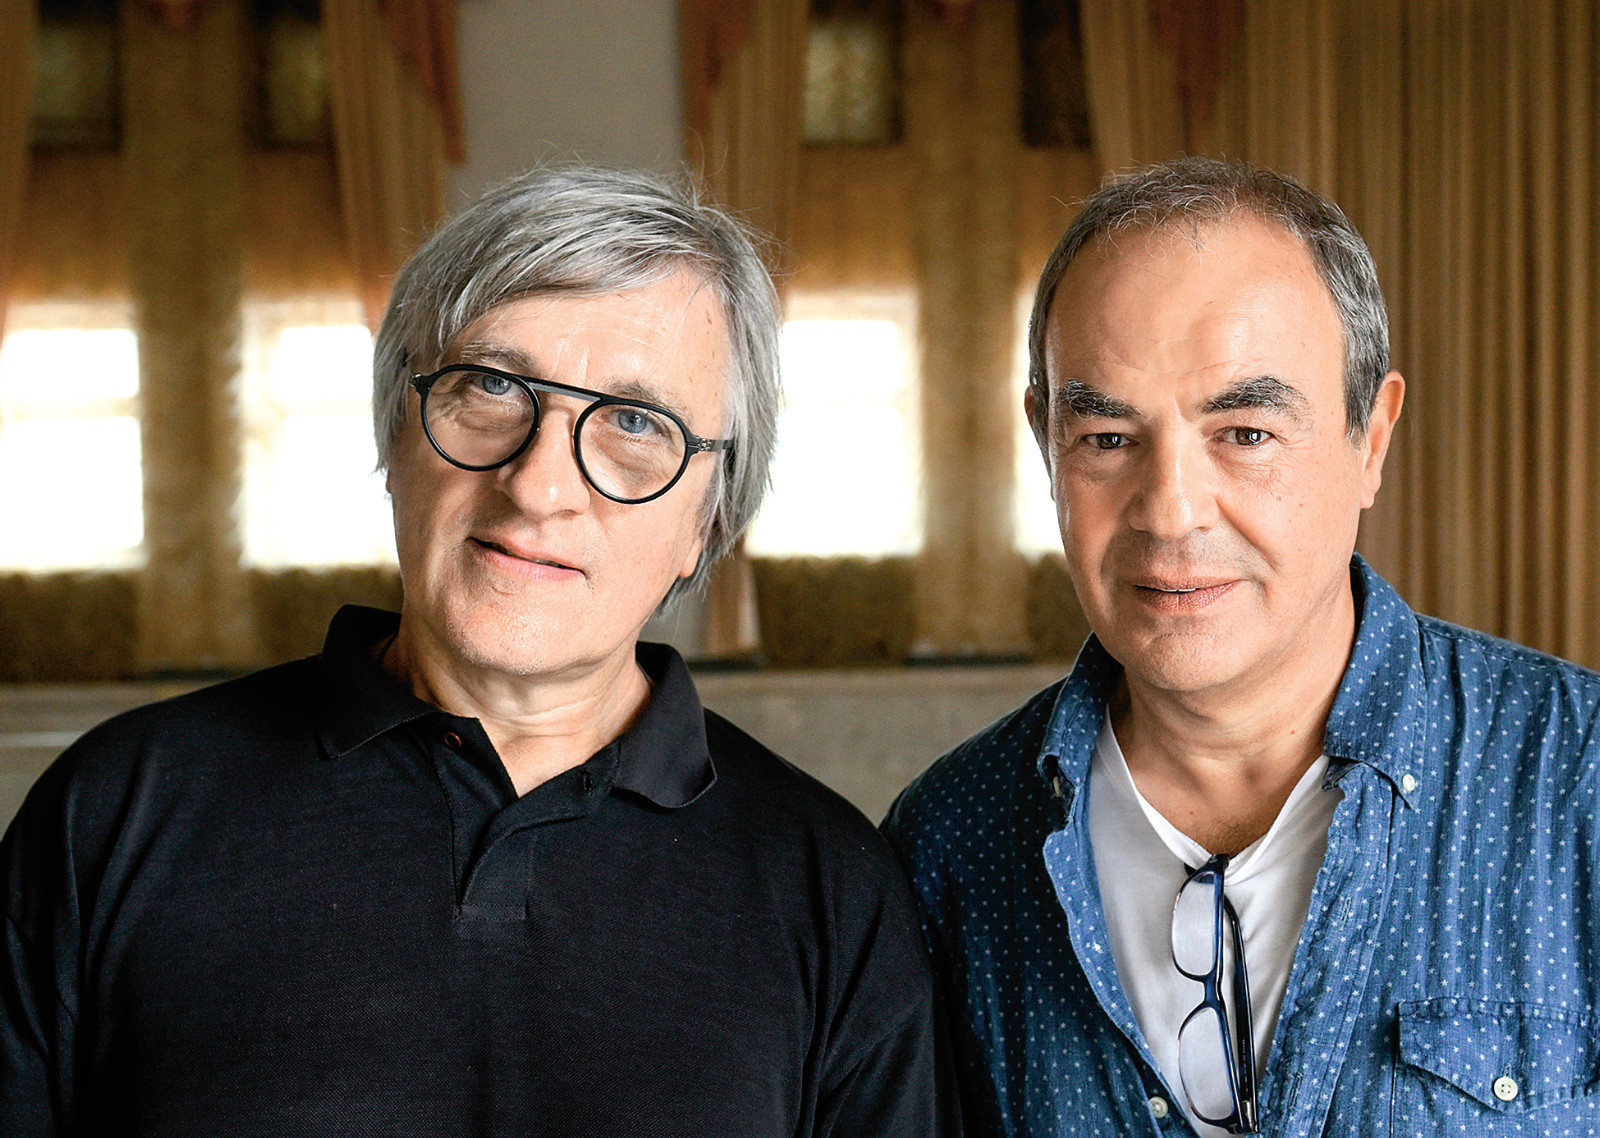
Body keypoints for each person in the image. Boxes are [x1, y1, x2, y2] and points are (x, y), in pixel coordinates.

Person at [0, 165, 945, 1136]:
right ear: (396, 428)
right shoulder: (112, 814)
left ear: (706, 520)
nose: (538, 487)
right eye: (492, 385)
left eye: (634, 422)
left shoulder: (832, 888)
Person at [882, 156, 1600, 1136]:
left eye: (1244, 432)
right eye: (1108, 439)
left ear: (1369, 438)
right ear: (1045, 443)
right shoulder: (947, 847)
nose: (1170, 511)